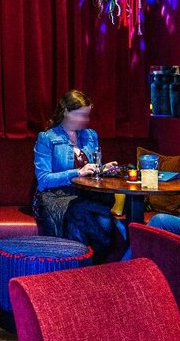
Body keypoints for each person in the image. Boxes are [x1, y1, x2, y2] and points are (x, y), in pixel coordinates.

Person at [33, 90, 120, 262]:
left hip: (86, 196)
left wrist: (102, 169)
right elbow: (43, 180)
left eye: (87, 115)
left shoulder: (90, 135)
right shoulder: (47, 138)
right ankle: (99, 264)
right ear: (66, 111)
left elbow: (92, 169)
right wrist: (77, 172)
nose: (85, 120)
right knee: (88, 219)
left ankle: (80, 274)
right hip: (56, 197)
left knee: (93, 222)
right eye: (80, 115)